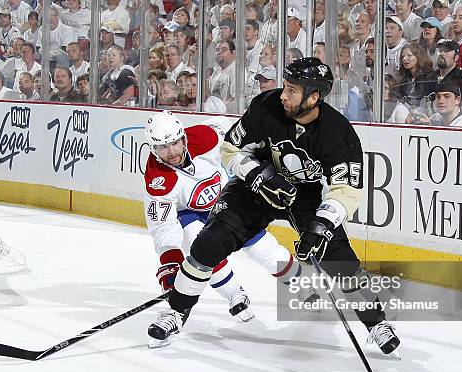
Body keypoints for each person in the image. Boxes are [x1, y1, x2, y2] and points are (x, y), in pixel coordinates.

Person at [147, 58, 401, 355]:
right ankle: (176, 312)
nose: (283, 94)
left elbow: (346, 190)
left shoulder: (338, 133)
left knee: (340, 258)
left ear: (313, 97)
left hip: (305, 195)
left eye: (292, 90)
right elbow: (231, 149)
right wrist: (255, 174)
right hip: (255, 186)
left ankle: (376, 323)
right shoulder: (266, 105)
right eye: (285, 86)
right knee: (208, 243)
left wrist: (322, 225)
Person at [143, 111, 304, 346]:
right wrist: (170, 267)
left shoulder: (206, 137)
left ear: (183, 137)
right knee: (198, 244)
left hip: (228, 201)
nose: (172, 152)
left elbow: (231, 128)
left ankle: (303, 286)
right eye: (163, 147)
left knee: (264, 251)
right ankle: (233, 294)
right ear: (153, 149)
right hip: (190, 212)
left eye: (175, 142)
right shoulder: (158, 179)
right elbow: (163, 227)